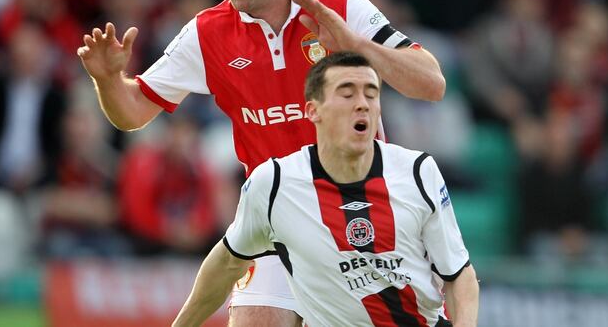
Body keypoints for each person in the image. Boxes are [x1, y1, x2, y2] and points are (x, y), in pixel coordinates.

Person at [76, 0, 446, 326]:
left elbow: (431, 83)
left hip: (363, 216)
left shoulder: (340, 6)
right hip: (276, 220)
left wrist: (355, 45)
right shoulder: (207, 32)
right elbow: (132, 113)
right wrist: (108, 79)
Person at [172, 52, 478, 327]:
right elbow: (227, 262)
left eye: (371, 94)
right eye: (347, 94)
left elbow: (458, 275)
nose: (362, 103)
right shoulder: (275, 183)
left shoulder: (417, 171)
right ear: (313, 111)